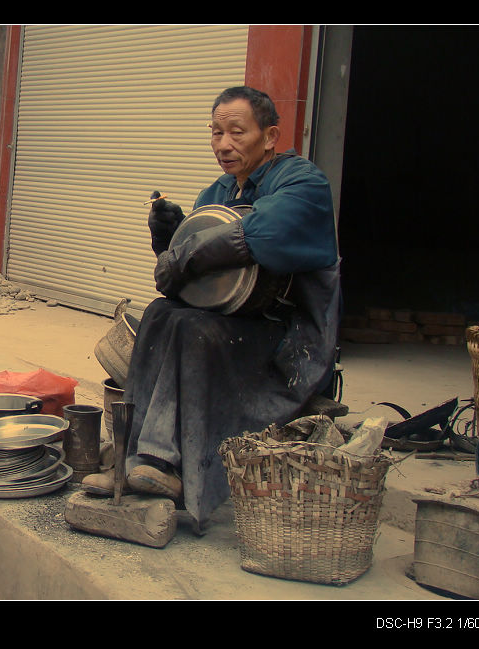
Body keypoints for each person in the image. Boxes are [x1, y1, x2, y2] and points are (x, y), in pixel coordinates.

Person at [83, 86, 341, 531]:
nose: (224, 144)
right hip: (234, 323)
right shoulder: (219, 191)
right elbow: (196, 284)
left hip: (286, 341)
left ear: (271, 135)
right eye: (217, 132)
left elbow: (263, 231)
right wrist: (169, 240)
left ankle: (165, 462)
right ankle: (136, 459)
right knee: (163, 314)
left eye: (237, 132)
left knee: (193, 330)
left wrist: (186, 254)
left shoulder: (303, 183)